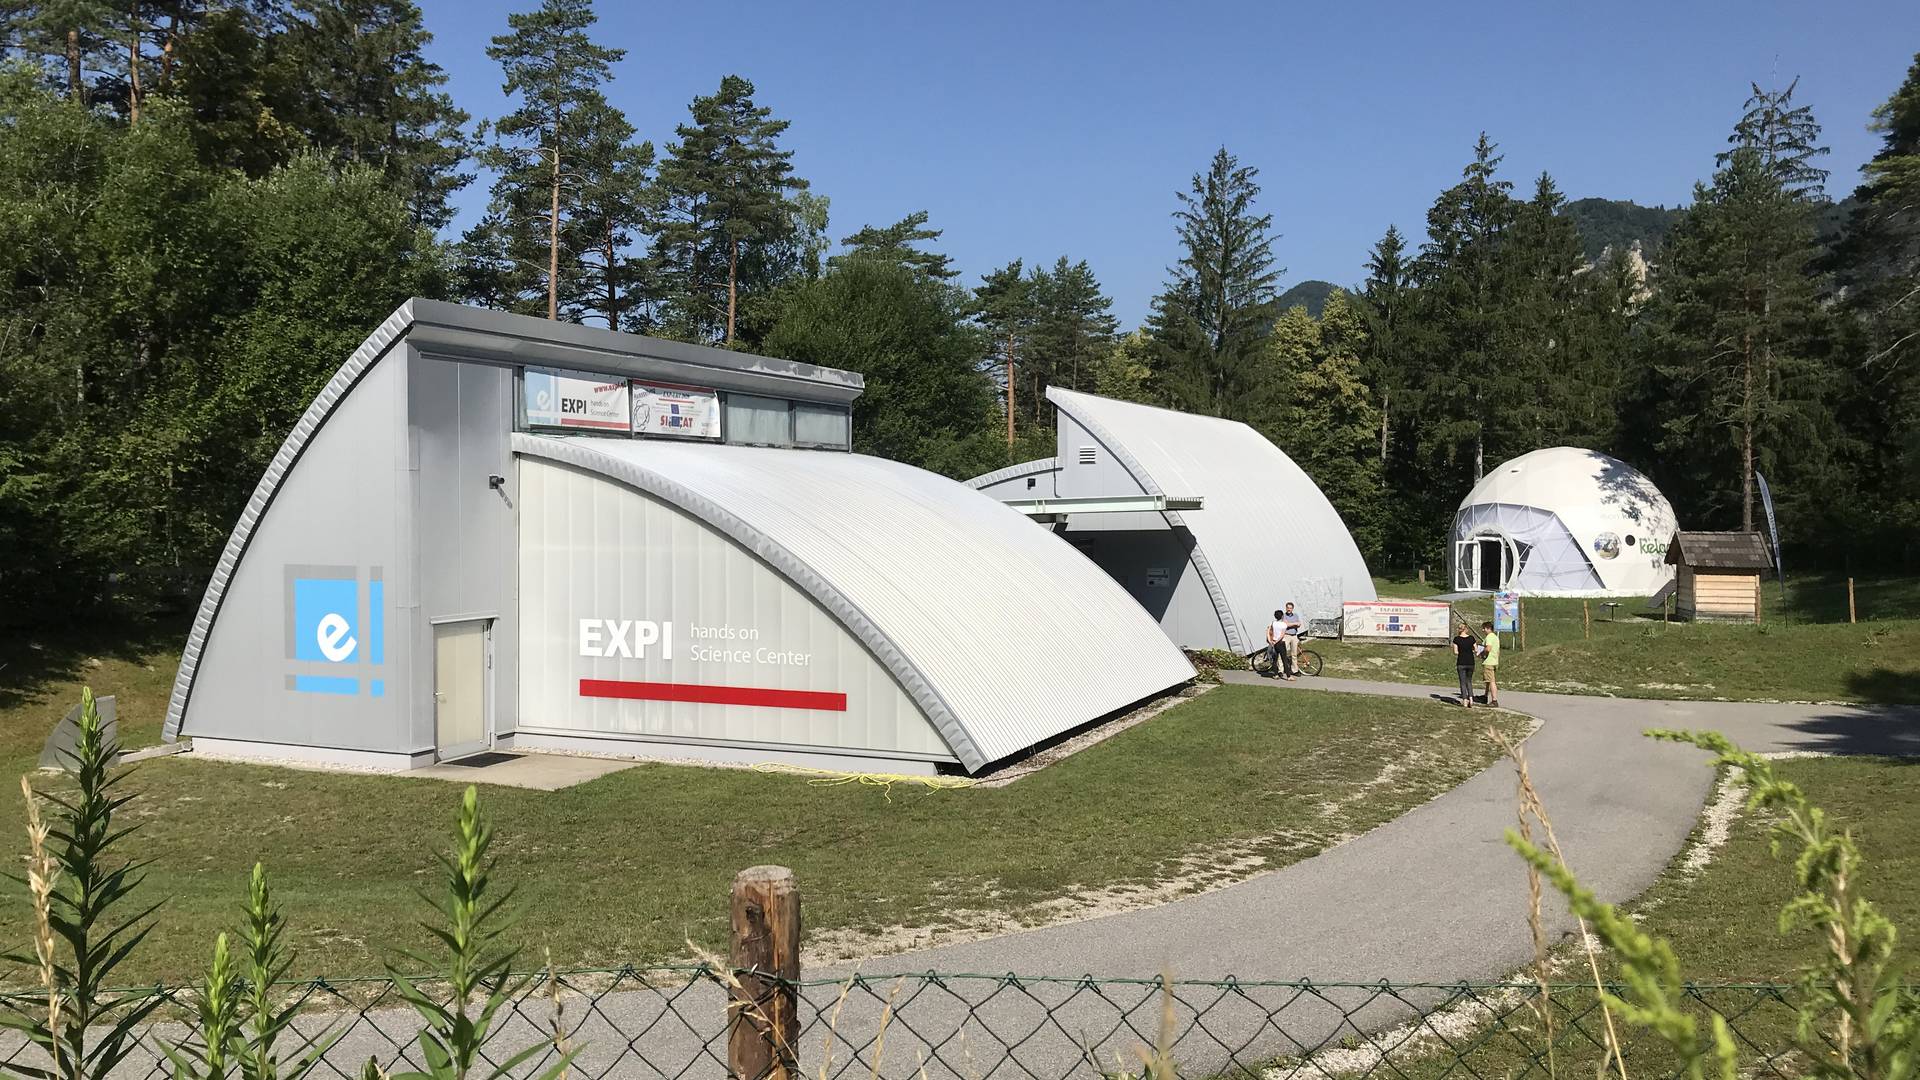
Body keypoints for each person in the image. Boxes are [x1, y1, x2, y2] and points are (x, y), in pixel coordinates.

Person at [1451, 622, 1478, 707]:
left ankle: (1465, 700)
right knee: (1469, 681)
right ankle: (1471, 698)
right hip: (1470, 662)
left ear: (1459, 629)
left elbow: (1455, 652)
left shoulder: (1456, 639)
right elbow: (1476, 649)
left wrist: (1461, 651)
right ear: (1466, 629)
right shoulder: (1471, 638)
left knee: (1462, 682)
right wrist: (1471, 651)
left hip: (1461, 662)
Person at [1479, 620, 1501, 707]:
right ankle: (1485, 696)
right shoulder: (1495, 637)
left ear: (1488, 628)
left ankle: (1494, 700)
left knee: (1491, 681)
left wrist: (1481, 653)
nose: (1483, 630)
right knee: (1488, 681)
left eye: (1484, 628)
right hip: (1494, 661)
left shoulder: (1489, 637)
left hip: (1489, 661)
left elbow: (1488, 648)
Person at [1280, 602, 1303, 680]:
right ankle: (1281, 670)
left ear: (1292, 608)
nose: (1289, 609)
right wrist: (1295, 623)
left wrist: (1292, 624)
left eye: (1290, 608)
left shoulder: (1295, 615)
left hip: (1294, 636)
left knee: (1294, 654)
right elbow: (1286, 625)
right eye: (1288, 608)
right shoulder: (1283, 616)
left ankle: (1294, 670)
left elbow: (1299, 624)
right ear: (1286, 608)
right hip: (1286, 635)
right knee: (1282, 653)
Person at [1264, 610, 1289, 679]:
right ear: (1282, 616)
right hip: (1280, 643)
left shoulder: (1273, 623)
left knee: (1275, 660)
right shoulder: (1284, 624)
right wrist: (1277, 641)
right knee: (1284, 659)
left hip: (1273, 643)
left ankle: (1275, 674)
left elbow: (1268, 631)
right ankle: (1288, 676)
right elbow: (1282, 635)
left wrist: (1270, 641)